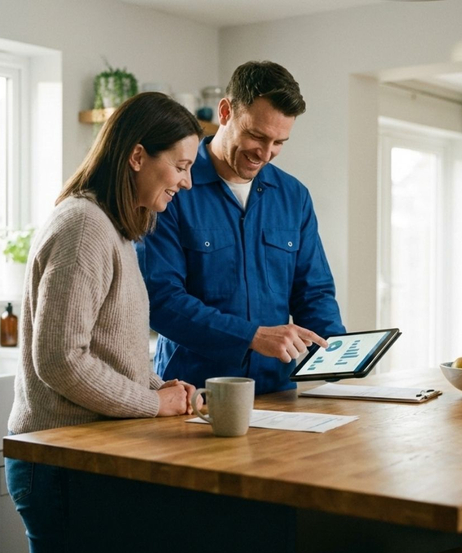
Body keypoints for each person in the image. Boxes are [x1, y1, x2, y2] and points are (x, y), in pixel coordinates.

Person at [5, 92, 203, 553]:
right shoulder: (84, 227)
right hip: (60, 463)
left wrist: (161, 387)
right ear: (137, 156)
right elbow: (60, 360)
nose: (186, 181)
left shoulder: (116, 229)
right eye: (180, 166)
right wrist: (149, 403)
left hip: (86, 458)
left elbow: (112, 346)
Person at [139, 61, 345, 395]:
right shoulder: (172, 189)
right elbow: (160, 300)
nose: (265, 154)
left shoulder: (294, 197)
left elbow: (314, 293)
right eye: (256, 135)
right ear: (225, 111)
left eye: (279, 142)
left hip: (276, 393)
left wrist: (339, 355)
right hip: (192, 395)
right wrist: (252, 337)